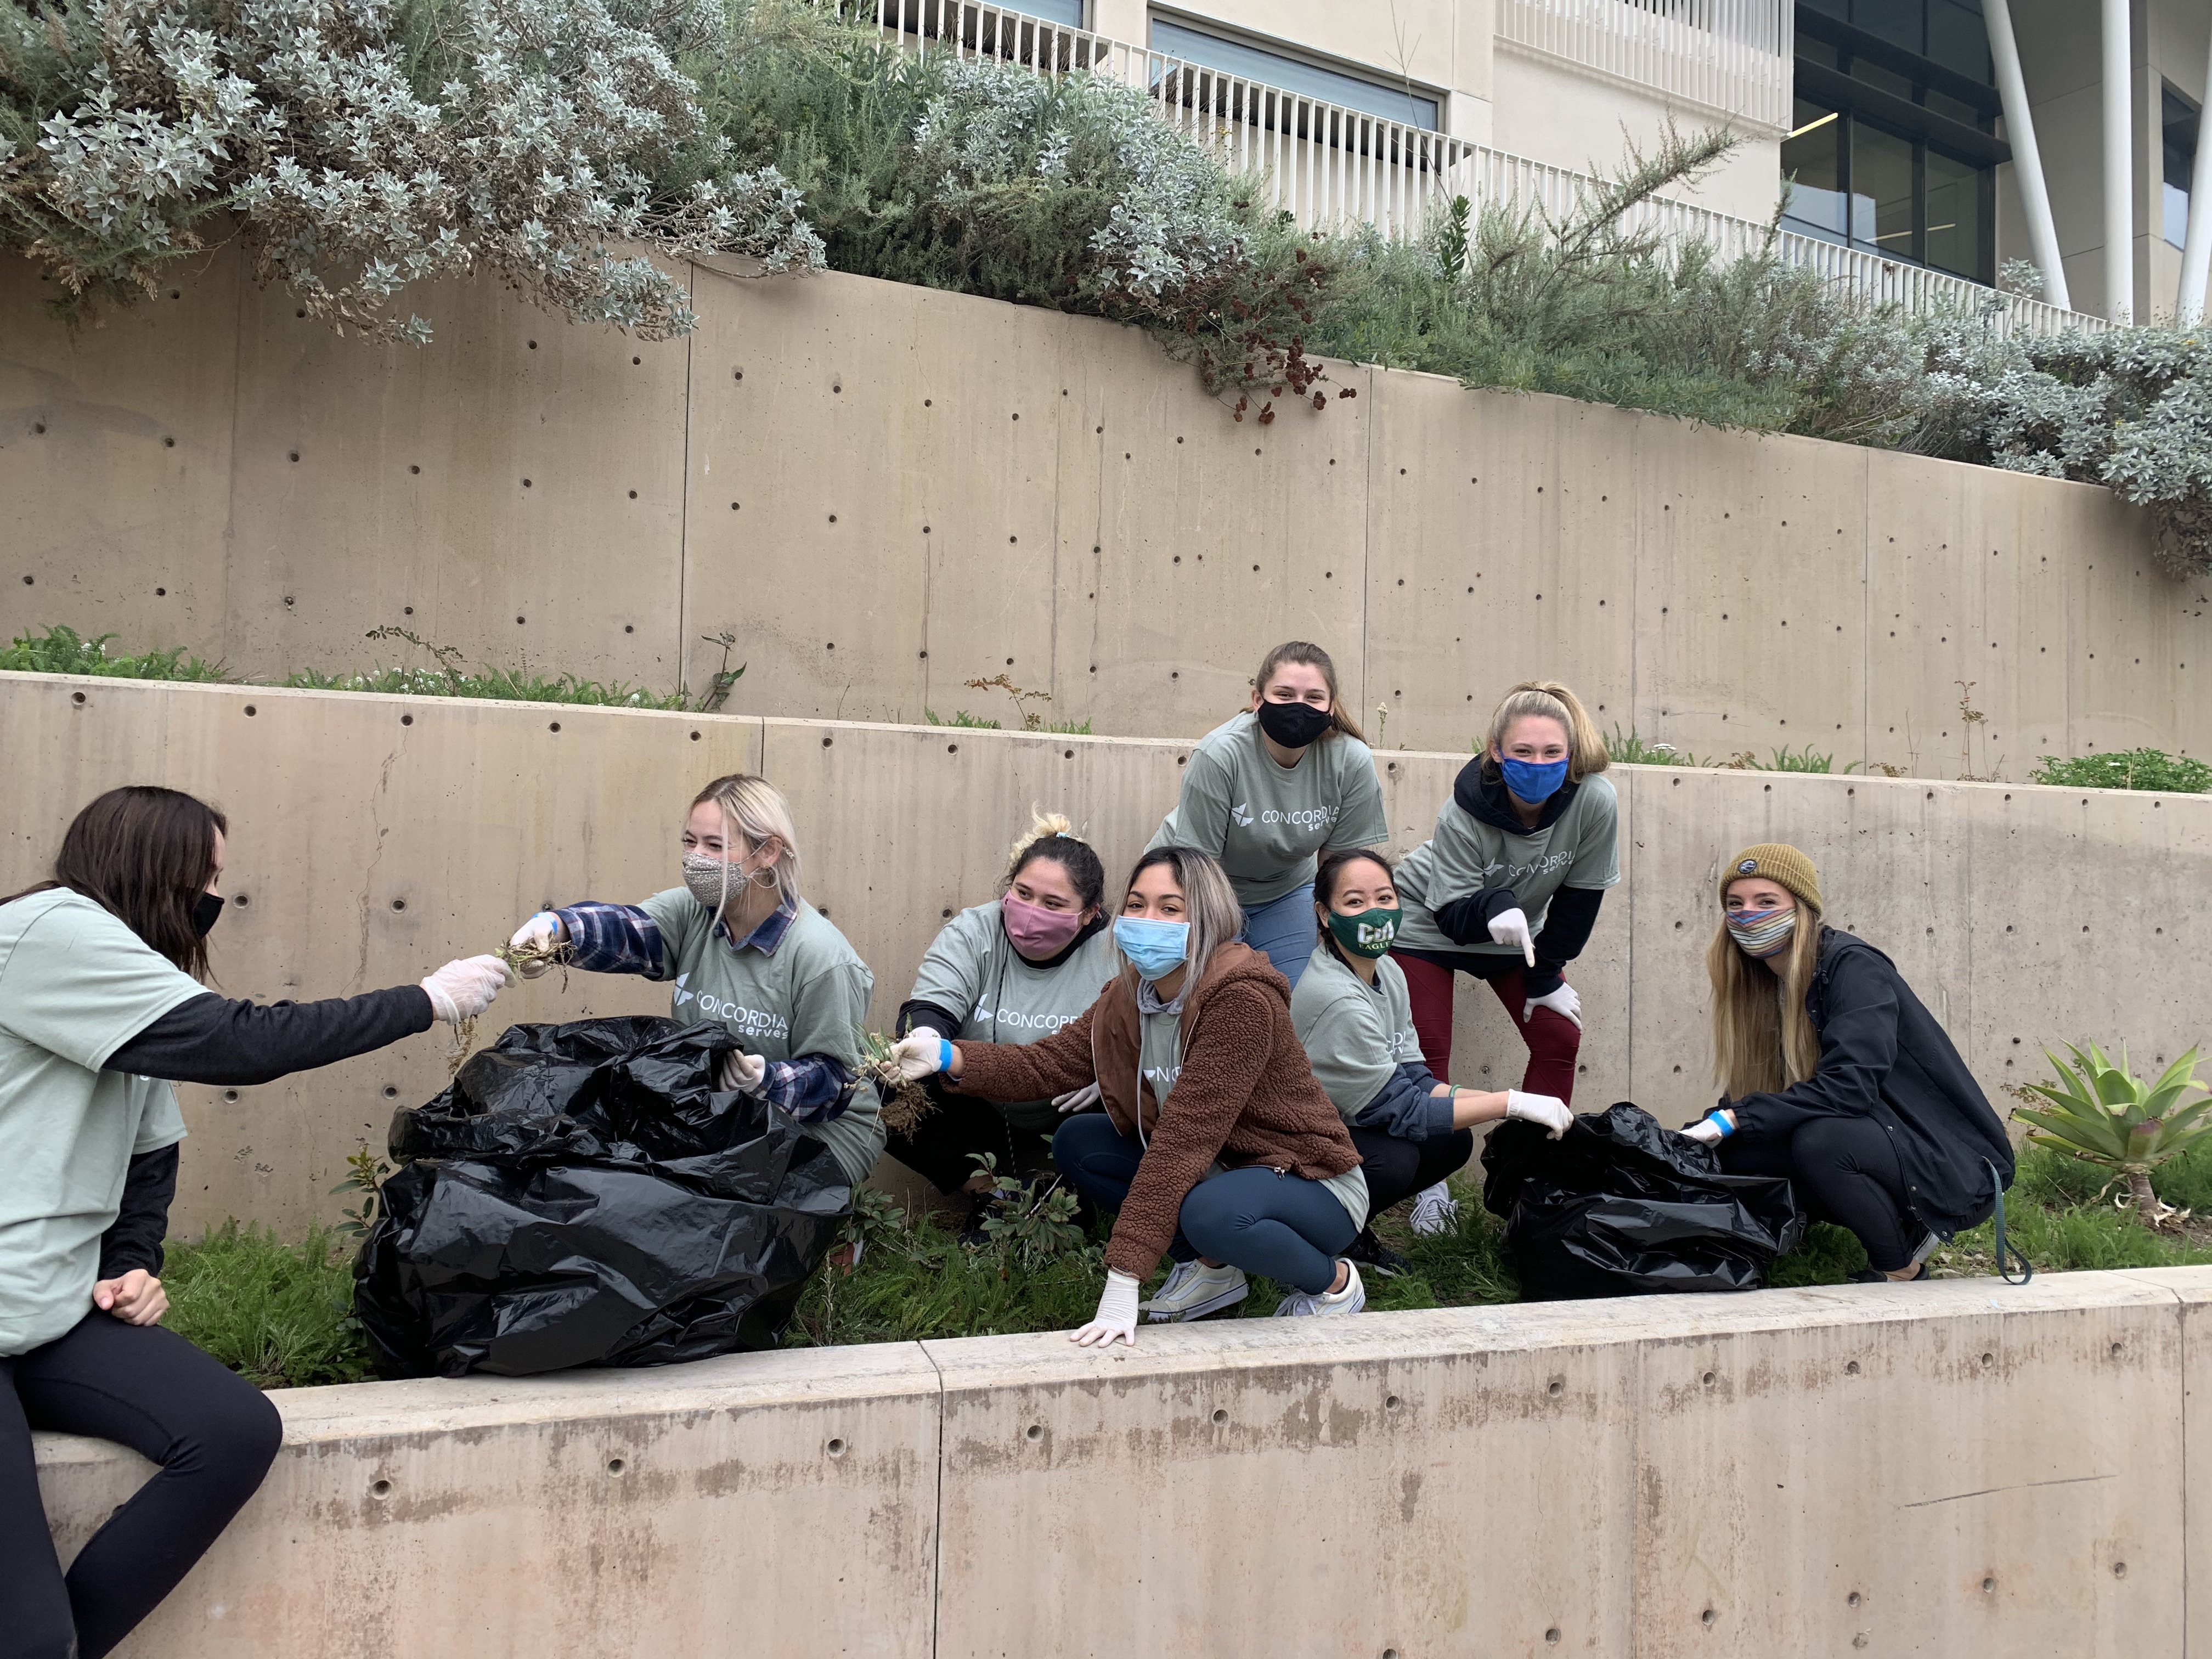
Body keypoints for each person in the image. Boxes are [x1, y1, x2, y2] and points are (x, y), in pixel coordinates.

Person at [1, 786, 507, 1659]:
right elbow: (248, 1044)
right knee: (30, 1636)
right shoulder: (52, 933)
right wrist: (425, 1000)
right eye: (207, 877)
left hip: (42, 1310)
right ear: (153, 868)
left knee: (233, 1432)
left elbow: (148, 1157)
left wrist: (131, 1260)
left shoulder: (132, 979)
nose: (212, 901)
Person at [886, 847, 1370, 1338]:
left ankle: (1333, 1284)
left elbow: (1184, 1142)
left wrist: (1124, 1275)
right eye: (1136, 904)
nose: (1146, 918)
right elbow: (1048, 1064)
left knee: (1212, 1211)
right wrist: (948, 1056)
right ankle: (1212, 1271)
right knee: (1081, 1142)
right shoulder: (1134, 991)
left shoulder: (1240, 999)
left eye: (1170, 907)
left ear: (1206, 916)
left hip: (1309, 1179)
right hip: (1225, 1167)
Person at [506, 772, 883, 1190]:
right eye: (690, 842)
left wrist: (768, 1080)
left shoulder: (822, 958)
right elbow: (630, 929)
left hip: (819, 1136)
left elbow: (835, 1082)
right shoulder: (695, 914)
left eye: (715, 846)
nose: (695, 857)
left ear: (768, 852)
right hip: (721, 1111)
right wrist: (559, 929)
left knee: (707, 1213)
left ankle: (839, 1233)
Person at [1681, 843, 2015, 1283]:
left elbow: (1850, 1087)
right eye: (1734, 904)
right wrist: (1713, 1127)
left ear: (1802, 909)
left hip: (1950, 1161)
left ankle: (1899, 1266)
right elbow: (1765, 1096)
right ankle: (1780, 1244)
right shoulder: (1762, 984)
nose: (1748, 915)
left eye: (1767, 902)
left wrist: (1734, 1118)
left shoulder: (1852, 967)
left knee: (1822, 1142)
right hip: (1882, 1137)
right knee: (1734, 1149)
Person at [1390, 681, 1617, 1229]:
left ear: (1571, 755)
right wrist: (1493, 905)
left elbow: (1580, 899)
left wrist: (1549, 975)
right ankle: (1432, 1186)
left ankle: (1529, 1175)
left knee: (1560, 1036)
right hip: (1429, 922)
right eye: (1522, 751)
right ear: (1496, 751)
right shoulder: (1464, 809)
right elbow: (1450, 910)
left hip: (1518, 937)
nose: (1537, 763)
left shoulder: (1594, 801)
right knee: (1428, 1055)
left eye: (1551, 753)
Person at [1291, 849, 1573, 1265]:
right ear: (1325, 915)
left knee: (1451, 1138)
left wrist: (1510, 1108)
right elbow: (1404, 1110)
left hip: (1347, 1120)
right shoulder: (1335, 998)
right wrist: (1510, 1102)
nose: (1375, 913)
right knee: (1396, 1160)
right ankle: (1314, 1235)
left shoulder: (1387, 971)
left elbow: (1416, 1079)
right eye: (1355, 902)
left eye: (1385, 899)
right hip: (1293, 1145)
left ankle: (1346, 1230)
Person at [887, 813, 1118, 1226]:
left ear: (1089, 913)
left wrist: (1115, 1075)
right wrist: (923, 1038)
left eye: (1053, 904)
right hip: (979, 1103)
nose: (1031, 913)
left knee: (1136, 1096)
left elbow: (1156, 1034)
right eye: (1023, 893)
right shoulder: (975, 930)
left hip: (1070, 1108)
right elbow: (931, 1008)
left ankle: (1069, 1209)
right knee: (879, 1084)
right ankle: (994, 1200)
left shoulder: (1115, 952)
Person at [1147, 641, 1386, 990]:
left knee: (1296, 999)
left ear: (1331, 706)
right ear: (1258, 700)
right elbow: (1201, 868)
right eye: (1285, 695)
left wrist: (1333, 936)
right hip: (1198, 886)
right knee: (1206, 998)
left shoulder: (1351, 760)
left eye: (1314, 697)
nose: (1299, 707)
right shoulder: (1219, 755)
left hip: (1287, 892)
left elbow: (1341, 868)